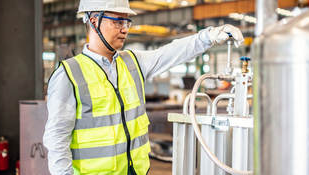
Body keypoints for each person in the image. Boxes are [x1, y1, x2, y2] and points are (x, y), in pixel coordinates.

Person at [43, 0, 244, 174]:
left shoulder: (133, 63)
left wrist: (208, 36)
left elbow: (172, 52)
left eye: (127, 21)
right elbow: (56, 140)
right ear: (94, 20)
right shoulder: (69, 75)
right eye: (118, 21)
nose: (125, 28)